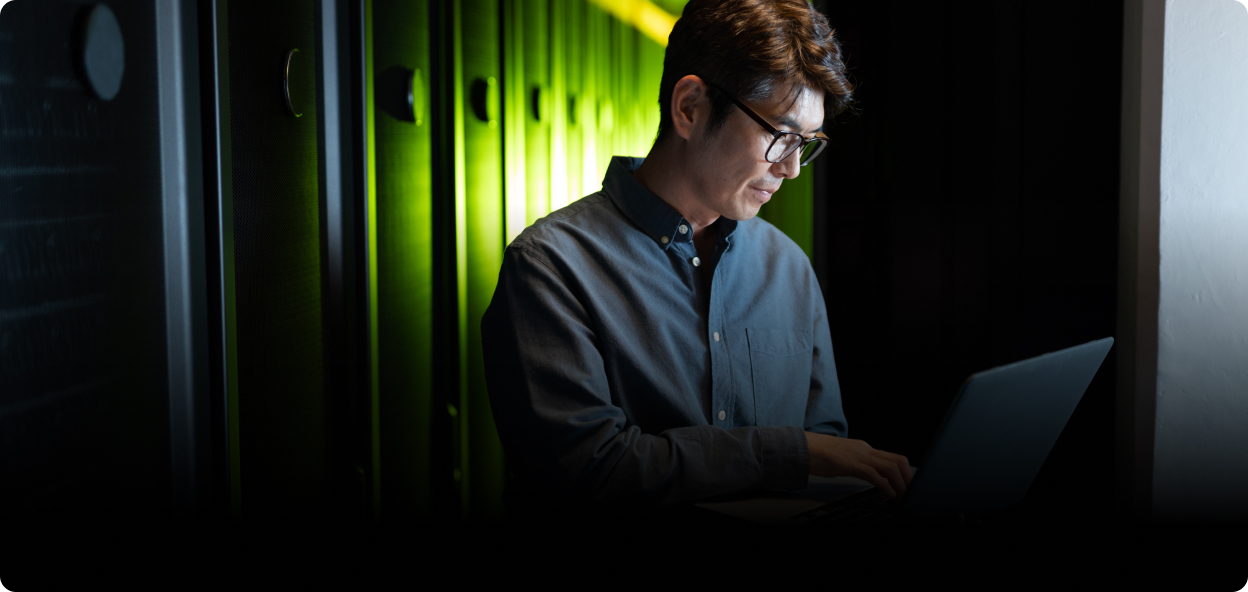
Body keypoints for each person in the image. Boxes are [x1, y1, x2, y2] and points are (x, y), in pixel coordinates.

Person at [481, 0, 912, 517]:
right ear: (689, 108)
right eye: (780, 136)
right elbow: (586, 472)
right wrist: (786, 454)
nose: (794, 169)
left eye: (808, 143)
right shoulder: (551, 266)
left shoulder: (789, 268)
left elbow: (825, 456)